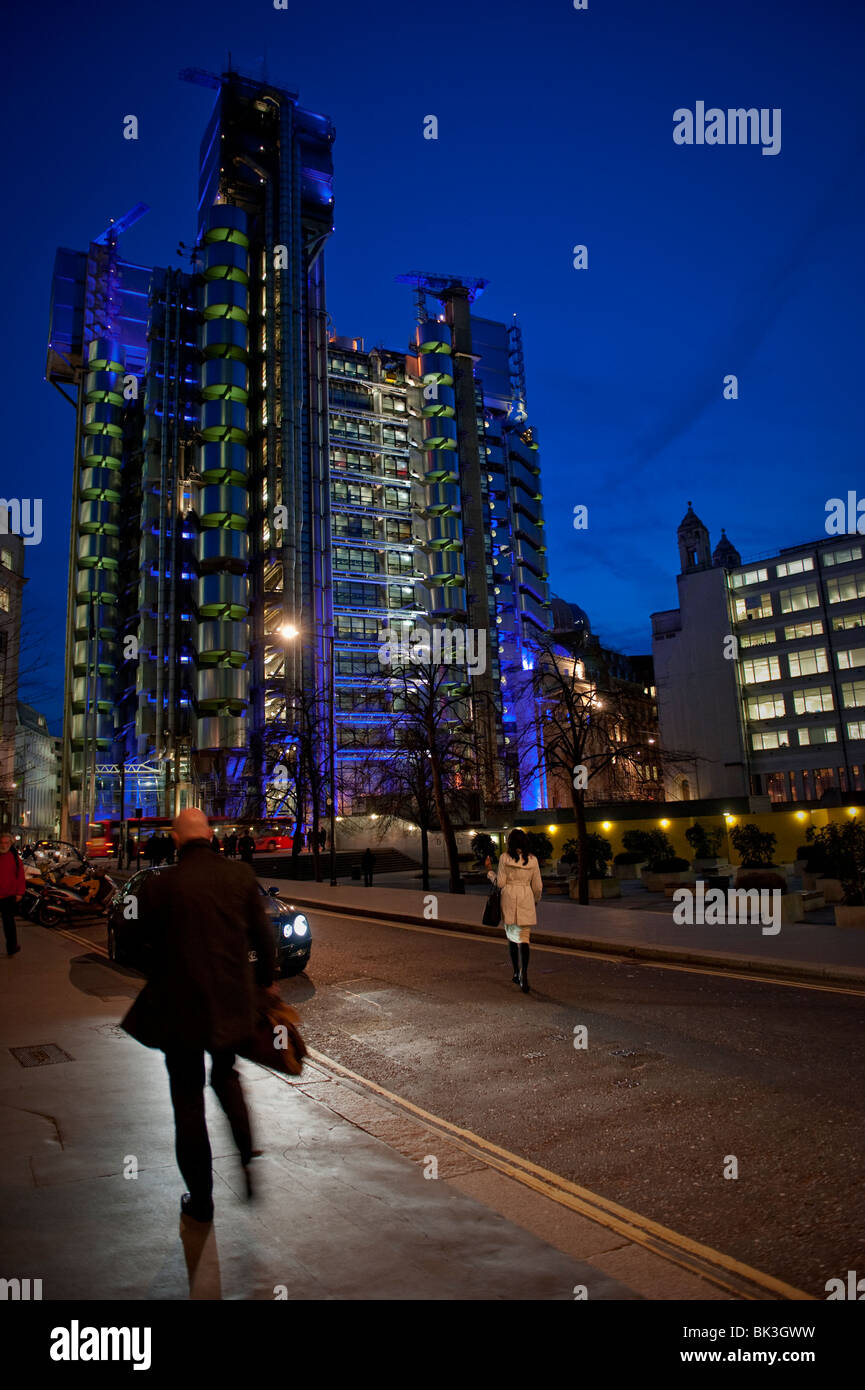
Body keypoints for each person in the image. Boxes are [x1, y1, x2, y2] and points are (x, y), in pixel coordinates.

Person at [121, 809, 276, 1224]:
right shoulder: (241, 876)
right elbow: (264, 938)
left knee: (187, 1101)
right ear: (210, 834)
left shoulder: (160, 885)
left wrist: (163, 971)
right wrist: (264, 984)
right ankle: (245, 1152)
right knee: (226, 1075)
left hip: (179, 1010)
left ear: (176, 839)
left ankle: (202, 1202)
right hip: (231, 1005)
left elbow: (135, 946)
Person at [486, 829, 543, 993]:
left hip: (509, 898)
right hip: (526, 897)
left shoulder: (505, 858)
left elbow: (500, 883)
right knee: (524, 938)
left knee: (511, 937)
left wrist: (489, 872)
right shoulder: (533, 860)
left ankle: (515, 972)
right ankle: (524, 972)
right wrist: (536, 900)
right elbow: (538, 886)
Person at [0, 832, 26, 957]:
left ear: (11, 844)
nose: (4, 845)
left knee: (9, 923)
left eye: (6, 843)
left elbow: (20, 877)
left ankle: (12, 947)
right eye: (2, 842)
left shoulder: (16, 859)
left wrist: (20, 893)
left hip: (9, 895)